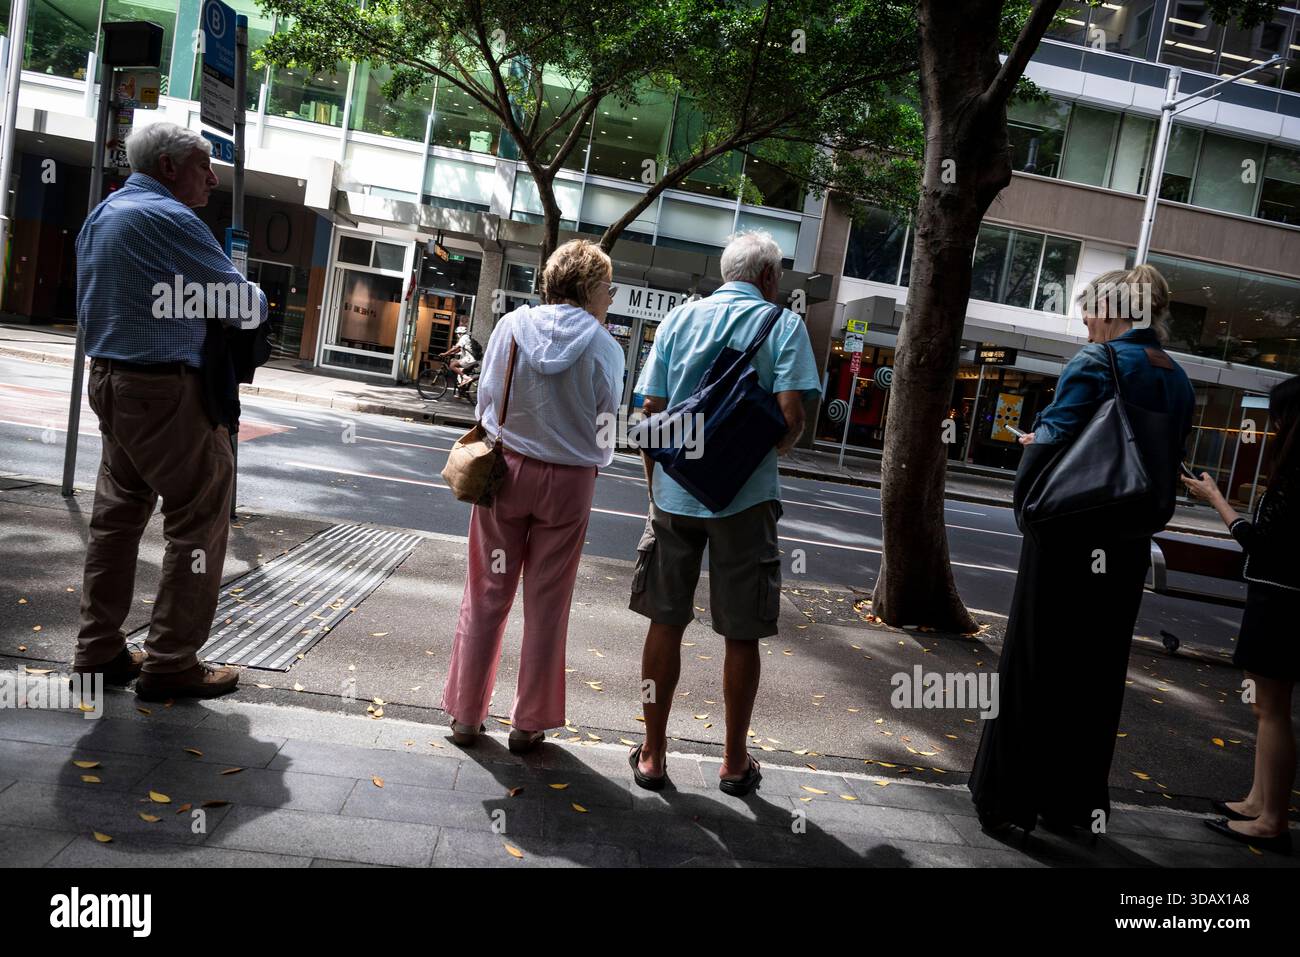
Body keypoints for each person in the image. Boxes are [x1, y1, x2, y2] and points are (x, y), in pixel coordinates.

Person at [969, 264, 1195, 834]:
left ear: (1118, 311)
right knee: (1097, 674)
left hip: (1068, 537)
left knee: (1034, 664)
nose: (1086, 321)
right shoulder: (1178, 378)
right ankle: (1073, 806)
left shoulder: (1097, 362)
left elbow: (1055, 441)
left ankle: (1008, 800)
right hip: (1127, 546)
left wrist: (1029, 482)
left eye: (1091, 309)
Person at [72, 122, 267, 701]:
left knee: (117, 517)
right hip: (164, 391)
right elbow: (243, 304)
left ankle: (98, 651)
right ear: (168, 167)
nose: (212, 177)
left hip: (110, 381)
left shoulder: (101, 216)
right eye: (204, 165)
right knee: (198, 521)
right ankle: (172, 662)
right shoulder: (170, 219)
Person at [627, 231, 820, 795]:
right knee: (741, 631)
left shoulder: (679, 321)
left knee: (666, 621)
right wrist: (756, 456)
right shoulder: (784, 326)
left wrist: (657, 484)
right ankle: (734, 763)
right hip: (746, 500)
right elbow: (790, 417)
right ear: (767, 277)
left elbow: (651, 411)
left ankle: (654, 756)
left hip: (673, 496)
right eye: (778, 276)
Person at [442, 240, 624, 753]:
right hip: (569, 483)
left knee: (486, 593)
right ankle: (528, 723)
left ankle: (466, 716)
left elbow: (487, 399)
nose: (609, 297)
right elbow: (608, 424)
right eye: (607, 287)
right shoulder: (604, 346)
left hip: (507, 474)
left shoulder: (512, 327)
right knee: (548, 605)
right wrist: (588, 457)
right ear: (589, 288)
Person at [1182, 375, 1299, 856]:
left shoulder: (1297, 476)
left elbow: (1262, 545)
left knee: (1271, 710)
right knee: (1267, 707)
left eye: (1275, 416)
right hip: (1286, 600)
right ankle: (1257, 801)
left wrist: (1217, 502)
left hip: (1281, 601)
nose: (1270, 425)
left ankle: (1271, 820)